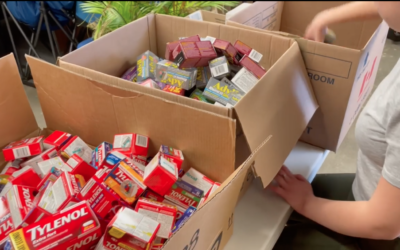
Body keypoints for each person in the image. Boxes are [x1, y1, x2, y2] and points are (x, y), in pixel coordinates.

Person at [272, 2, 400, 249]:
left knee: (273, 239)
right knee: (275, 201)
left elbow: (385, 225)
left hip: (379, 234)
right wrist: (325, 17)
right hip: (369, 190)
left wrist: (307, 204)